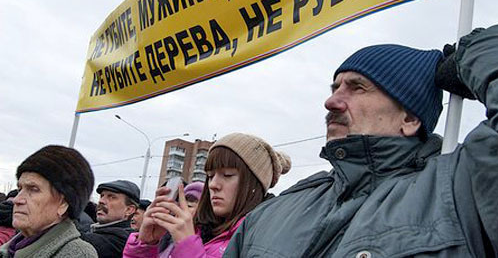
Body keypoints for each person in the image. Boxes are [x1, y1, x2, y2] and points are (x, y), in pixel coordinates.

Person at [224, 24, 498, 257]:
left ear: (409, 119)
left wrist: (478, 52)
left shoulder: (459, 191)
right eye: (335, 88)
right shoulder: (276, 210)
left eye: (357, 87)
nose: (331, 101)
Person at [123, 133, 291, 258]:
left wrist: (187, 245)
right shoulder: (198, 230)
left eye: (227, 175)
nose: (213, 185)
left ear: (253, 184)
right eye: (210, 176)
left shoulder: (266, 239)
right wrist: (146, 244)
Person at [0, 145, 97, 257]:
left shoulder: (77, 254)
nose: (17, 199)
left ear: (63, 204)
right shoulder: (11, 249)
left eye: (33, 189)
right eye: (20, 189)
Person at [81, 180, 139, 258]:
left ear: (129, 210)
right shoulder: (92, 229)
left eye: (112, 197)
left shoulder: (121, 240)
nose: (101, 201)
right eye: (102, 196)